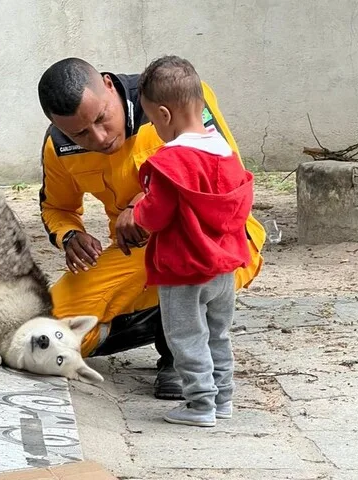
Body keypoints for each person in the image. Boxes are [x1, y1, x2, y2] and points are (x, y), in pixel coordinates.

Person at [36, 57, 265, 400]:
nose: (99, 138)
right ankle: (160, 323)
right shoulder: (59, 147)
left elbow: (223, 176)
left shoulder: (176, 97)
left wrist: (143, 203)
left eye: (101, 119)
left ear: (108, 86)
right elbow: (57, 207)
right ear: (59, 127)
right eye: (79, 133)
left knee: (194, 277)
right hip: (139, 251)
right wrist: (70, 235)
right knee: (47, 333)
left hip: (216, 240)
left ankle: (179, 353)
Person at [131, 55, 252, 426]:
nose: (154, 126)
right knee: (218, 334)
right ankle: (223, 398)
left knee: (186, 338)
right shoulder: (227, 155)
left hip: (184, 269)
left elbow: (155, 215)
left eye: (152, 120)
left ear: (164, 115)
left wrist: (135, 214)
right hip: (224, 267)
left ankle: (199, 405)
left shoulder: (172, 162)